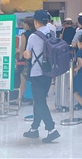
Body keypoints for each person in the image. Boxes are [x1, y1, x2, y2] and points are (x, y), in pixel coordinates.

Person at [22, 9, 60, 143]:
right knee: (39, 100)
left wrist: (25, 54)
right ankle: (34, 128)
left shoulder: (33, 36)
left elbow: (28, 54)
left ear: (36, 22)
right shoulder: (52, 33)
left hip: (36, 72)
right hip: (48, 72)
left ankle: (51, 129)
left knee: (40, 102)